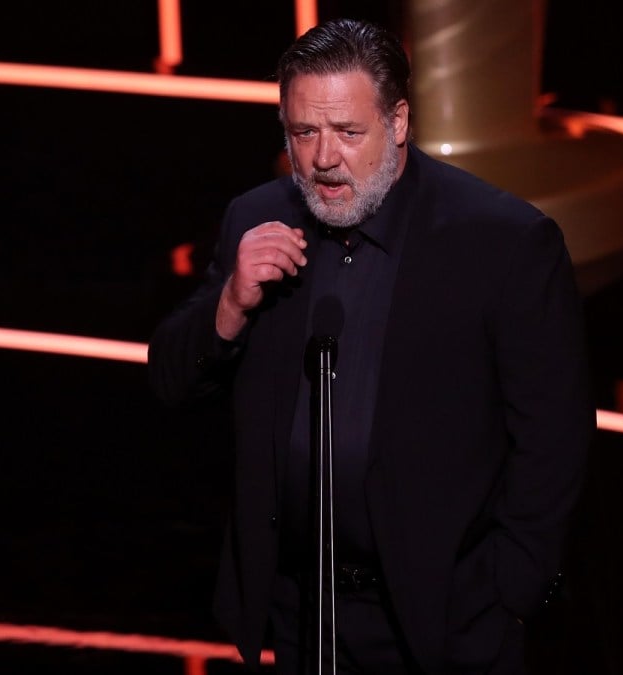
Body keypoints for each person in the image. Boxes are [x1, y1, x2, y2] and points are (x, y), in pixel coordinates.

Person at [148, 18, 591, 674]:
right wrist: (230, 303)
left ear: (399, 122)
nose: (324, 158)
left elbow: (554, 435)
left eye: (349, 132)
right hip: (301, 614)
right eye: (304, 132)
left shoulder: (502, 242)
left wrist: (510, 587)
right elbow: (169, 380)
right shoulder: (256, 219)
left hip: (446, 620)